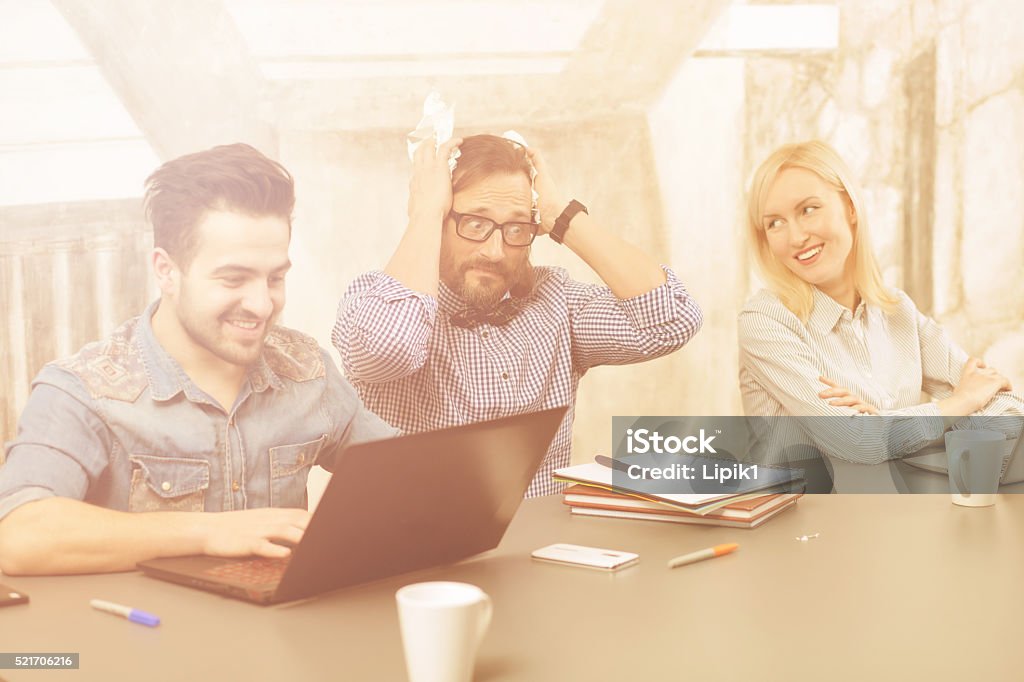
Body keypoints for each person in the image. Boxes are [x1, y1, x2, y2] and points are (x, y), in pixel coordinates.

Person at [0, 144, 396, 575]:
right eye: (234, 279)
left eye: (276, 278)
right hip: (145, 638)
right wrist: (209, 532)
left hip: (282, 636)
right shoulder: (81, 390)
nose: (263, 305)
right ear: (167, 271)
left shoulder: (309, 373)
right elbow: (18, 536)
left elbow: (410, 475)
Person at [333, 134, 702, 496]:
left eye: (515, 228)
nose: (495, 251)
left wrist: (562, 216)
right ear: (442, 218)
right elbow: (389, 349)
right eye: (475, 223)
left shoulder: (557, 301)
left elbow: (672, 319)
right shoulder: (374, 301)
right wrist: (425, 211)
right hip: (414, 551)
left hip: (537, 549)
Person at [737, 140, 1023, 485]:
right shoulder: (765, 321)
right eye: (774, 223)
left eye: (808, 209)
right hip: (799, 529)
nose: (796, 236)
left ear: (850, 207)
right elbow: (860, 442)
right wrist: (960, 402)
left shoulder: (898, 310)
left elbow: (1007, 405)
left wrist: (887, 424)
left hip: (897, 515)